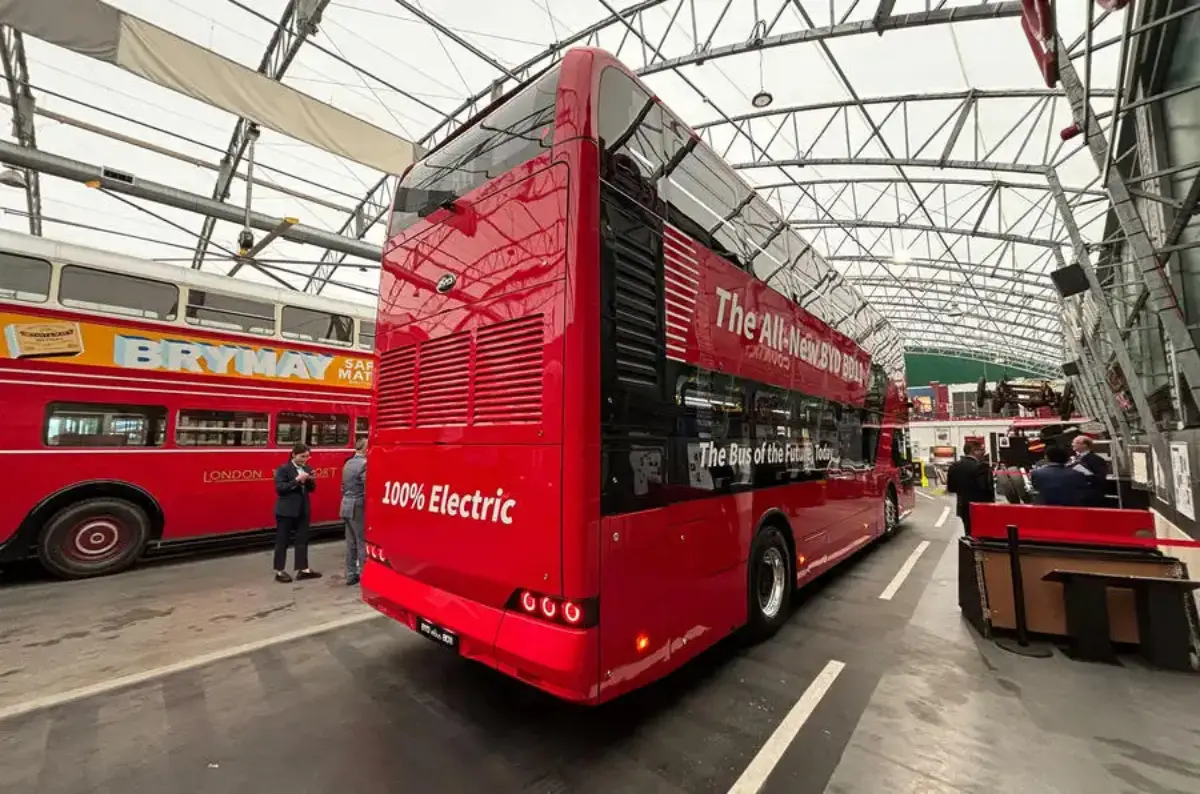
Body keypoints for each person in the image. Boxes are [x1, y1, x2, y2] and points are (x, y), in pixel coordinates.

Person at [273, 442, 322, 583]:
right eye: (302, 456)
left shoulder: (307, 468)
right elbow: (280, 489)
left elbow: (312, 489)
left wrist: (310, 480)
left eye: (307, 457)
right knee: (282, 541)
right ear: (293, 455)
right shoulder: (283, 469)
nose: (304, 459)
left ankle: (303, 569)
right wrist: (296, 480)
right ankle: (279, 571)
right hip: (286, 511)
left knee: (302, 540)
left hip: (302, 509)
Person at [946, 440, 995, 535]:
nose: (984, 453)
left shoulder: (954, 466)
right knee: (982, 535)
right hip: (981, 508)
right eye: (982, 450)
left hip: (963, 506)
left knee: (968, 532)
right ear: (974, 451)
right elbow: (987, 489)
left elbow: (951, 488)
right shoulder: (982, 467)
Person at [340, 439, 368, 586]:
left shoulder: (348, 463)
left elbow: (343, 486)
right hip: (357, 505)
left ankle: (351, 574)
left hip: (345, 504)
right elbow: (367, 487)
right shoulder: (364, 464)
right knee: (361, 541)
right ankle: (365, 574)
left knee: (350, 542)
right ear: (366, 449)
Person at [1070, 435, 1110, 506]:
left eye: (1077, 442)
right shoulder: (1074, 458)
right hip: (1078, 493)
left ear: (1085, 445)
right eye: (1073, 442)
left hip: (1091, 494)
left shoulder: (1095, 459)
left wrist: (1083, 476)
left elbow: (1100, 477)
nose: (1073, 444)